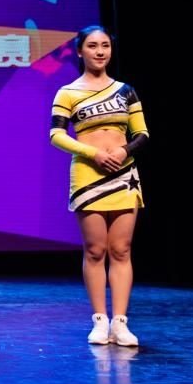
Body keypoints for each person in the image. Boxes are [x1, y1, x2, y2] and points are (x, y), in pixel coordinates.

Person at [50, 25, 149, 348]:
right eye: (92, 46)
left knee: (121, 249)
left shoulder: (126, 91)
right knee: (95, 250)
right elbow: (56, 135)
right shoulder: (68, 92)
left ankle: (120, 323)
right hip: (88, 175)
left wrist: (123, 152)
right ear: (80, 51)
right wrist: (93, 153)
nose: (100, 51)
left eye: (105, 45)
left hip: (123, 174)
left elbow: (142, 134)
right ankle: (99, 320)